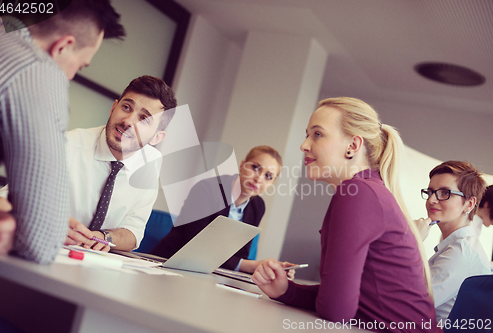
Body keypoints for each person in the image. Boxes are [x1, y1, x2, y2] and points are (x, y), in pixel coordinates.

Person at [252, 97, 436, 331]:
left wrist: (292, 293)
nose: (304, 145)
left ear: (353, 146)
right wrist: (287, 290)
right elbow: (342, 298)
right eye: (307, 134)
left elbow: (335, 310)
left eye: (317, 134)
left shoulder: (358, 193)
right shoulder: (365, 190)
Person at [0, 0, 125, 263]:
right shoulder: (37, 69)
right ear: (62, 47)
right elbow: (40, 242)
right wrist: (38, 222)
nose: (72, 77)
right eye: (80, 66)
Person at [0, 76, 177, 252]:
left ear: (156, 137)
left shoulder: (150, 162)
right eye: (126, 107)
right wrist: (45, 224)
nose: (128, 121)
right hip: (40, 250)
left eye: (144, 119)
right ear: (113, 107)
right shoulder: (64, 146)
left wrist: (103, 237)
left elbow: (134, 231)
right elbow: (5, 202)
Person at [151, 146, 290, 273]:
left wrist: (267, 271)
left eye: (268, 176)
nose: (259, 178)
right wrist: (250, 266)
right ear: (242, 165)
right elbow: (196, 245)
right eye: (255, 167)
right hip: (169, 264)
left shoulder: (258, 206)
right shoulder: (206, 189)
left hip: (211, 273)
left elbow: (241, 254)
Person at [416, 161, 491, 322]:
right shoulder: (456, 245)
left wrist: (412, 242)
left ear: (469, 204)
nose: (432, 200)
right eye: (430, 192)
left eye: (444, 193)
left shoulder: (462, 250)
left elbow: (411, 303)